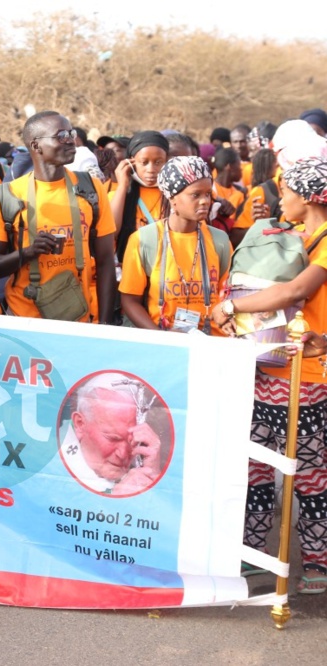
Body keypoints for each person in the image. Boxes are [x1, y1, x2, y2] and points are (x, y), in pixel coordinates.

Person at [212, 157, 327, 594]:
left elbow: (297, 292)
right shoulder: (295, 238)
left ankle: (316, 564)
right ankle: (253, 556)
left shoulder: (324, 244)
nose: (282, 200)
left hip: (307, 378)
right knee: (255, 467)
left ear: (310, 197)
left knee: (311, 473)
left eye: (288, 192)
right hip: (265, 369)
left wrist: (230, 306)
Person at [0, 111, 117, 324]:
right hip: (24, 319)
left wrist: (104, 323)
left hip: (79, 318)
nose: (71, 141)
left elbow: (105, 262)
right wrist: (28, 252)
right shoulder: (8, 194)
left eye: (71, 133)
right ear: (36, 145)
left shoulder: (91, 189)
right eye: (61, 135)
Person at [119, 156, 230, 333]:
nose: (205, 201)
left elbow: (226, 296)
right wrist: (163, 338)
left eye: (208, 194)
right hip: (165, 346)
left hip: (211, 344)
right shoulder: (145, 240)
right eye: (196, 194)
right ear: (172, 198)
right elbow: (130, 300)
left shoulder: (219, 241)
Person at [59, 373, 164, 497]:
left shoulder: (139, 460)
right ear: (80, 424)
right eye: (113, 438)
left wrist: (153, 480)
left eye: (133, 442)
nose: (123, 454)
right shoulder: (51, 461)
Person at [110, 131, 169, 262]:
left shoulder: (173, 195)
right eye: (144, 162)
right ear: (131, 162)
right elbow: (111, 232)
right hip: (131, 266)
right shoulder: (119, 194)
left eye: (158, 162)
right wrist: (122, 186)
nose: (151, 169)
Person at [230, 124, 252, 188]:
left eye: (242, 141)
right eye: (235, 142)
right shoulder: (228, 166)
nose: (238, 146)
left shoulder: (256, 164)